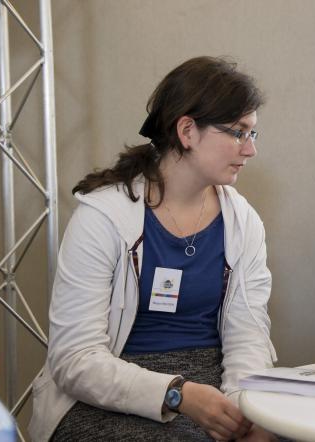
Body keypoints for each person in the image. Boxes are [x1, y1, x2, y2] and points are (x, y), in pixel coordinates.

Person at [29, 56, 278, 442]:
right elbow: (75, 359)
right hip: (109, 389)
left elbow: (247, 337)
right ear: (188, 131)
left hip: (213, 387)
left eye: (253, 134)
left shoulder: (242, 221)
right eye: (238, 132)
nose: (250, 150)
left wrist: (246, 407)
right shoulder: (102, 216)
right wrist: (176, 393)